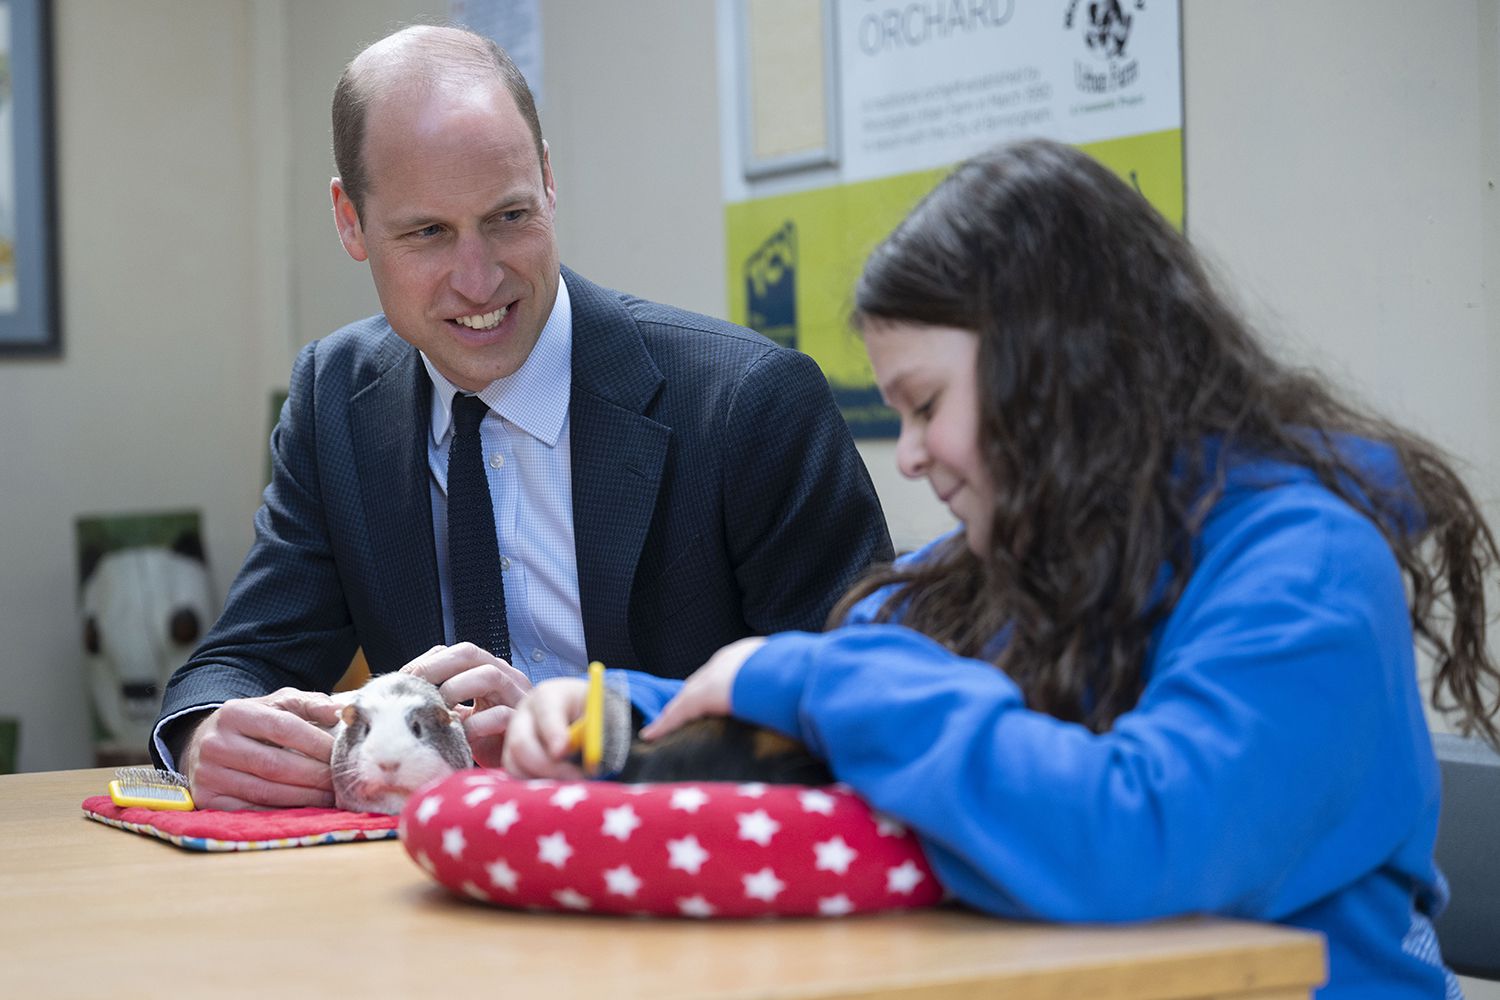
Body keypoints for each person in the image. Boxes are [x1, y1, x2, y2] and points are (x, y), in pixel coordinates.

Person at [503, 138, 1500, 999]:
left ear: (1056, 373)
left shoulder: (1308, 572)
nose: (909, 453)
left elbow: (1142, 836)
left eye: (927, 405)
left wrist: (801, 676)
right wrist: (608, 715)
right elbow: (808, 706)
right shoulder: (991, 567)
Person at [149, 25, 892, 809]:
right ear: (349, 221)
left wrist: (596, 735)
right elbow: (242, 658)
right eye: (428, 232)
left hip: (682, 882)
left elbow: (860, 704)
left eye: (508, 217)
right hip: (433, 888)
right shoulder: (334, 399)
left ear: (547, 179)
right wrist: (206, 736)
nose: (479, 280)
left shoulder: (748, 402)